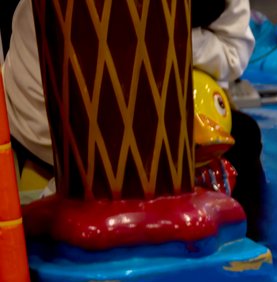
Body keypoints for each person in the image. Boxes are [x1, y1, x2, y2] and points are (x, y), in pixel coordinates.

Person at [4, 0, 263, 235]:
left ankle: (240, 247)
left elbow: (233, 51)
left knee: (243, 137)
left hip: (155, 110)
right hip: (52, 129)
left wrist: (169, 34)